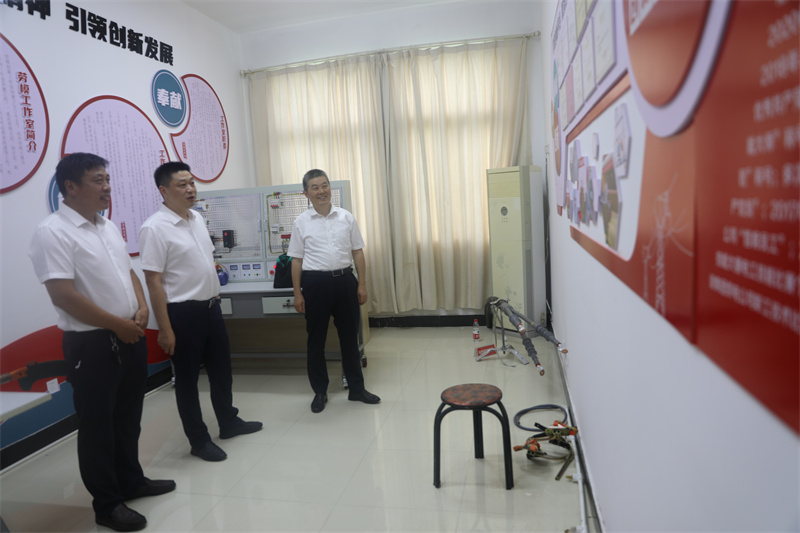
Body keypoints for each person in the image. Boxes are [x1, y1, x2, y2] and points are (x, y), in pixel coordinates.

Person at [28, 153, 175, 532]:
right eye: (98, 180)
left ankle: (132, 481)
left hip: (129, 335)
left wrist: (142, 307)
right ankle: (107, 505)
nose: (107, 187)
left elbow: (130, 272)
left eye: (107, 179)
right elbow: (63, 296)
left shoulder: (105, 225)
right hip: (92, 345)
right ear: (71, 187)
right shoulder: (53, 232)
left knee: (128, 420)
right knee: (98, 428)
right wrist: (117, 325)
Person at [139, 161, 262, 463]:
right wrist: (165, 328)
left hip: (211, 308)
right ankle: (198, 440)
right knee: (187, 381)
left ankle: (228, 422)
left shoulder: (196, 218)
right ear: (163, 190)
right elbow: (153, 282)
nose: (191, 189)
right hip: (182, 314)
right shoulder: (154, 228)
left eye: (192, 182)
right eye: (182, 184)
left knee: (222, 371)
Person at [288, 169, 380, 413]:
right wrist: (298, 293)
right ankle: (320, 391)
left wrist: (362, 284)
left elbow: (357, 252)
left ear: (330, 188)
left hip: (344, 281)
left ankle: (357, 389)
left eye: (324, 185)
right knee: (316, 340)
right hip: (315, 284)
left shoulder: (346, 217)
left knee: (350, 338)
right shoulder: (301, 222)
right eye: (315, 187)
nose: (321, 191)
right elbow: (296, 260)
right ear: (306, 193)